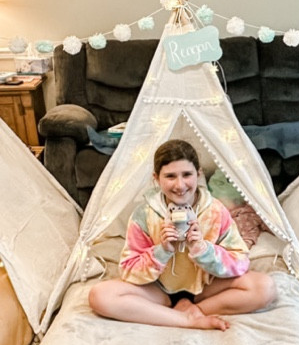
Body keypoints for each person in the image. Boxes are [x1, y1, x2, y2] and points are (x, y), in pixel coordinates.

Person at [88, 139, 276, 331]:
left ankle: (196, 310)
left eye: (187, 175)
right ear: (156, 178)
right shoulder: (143, 215)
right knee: (100, 296)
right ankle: (186, 319)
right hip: (158, 290)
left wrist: (203, 250)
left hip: (207, 288)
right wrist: (162, 251)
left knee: (265, 287)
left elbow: (240, 261)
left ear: (198, 174)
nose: (180, 185)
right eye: (170, 176)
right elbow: (128, 270)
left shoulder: (216, 211)